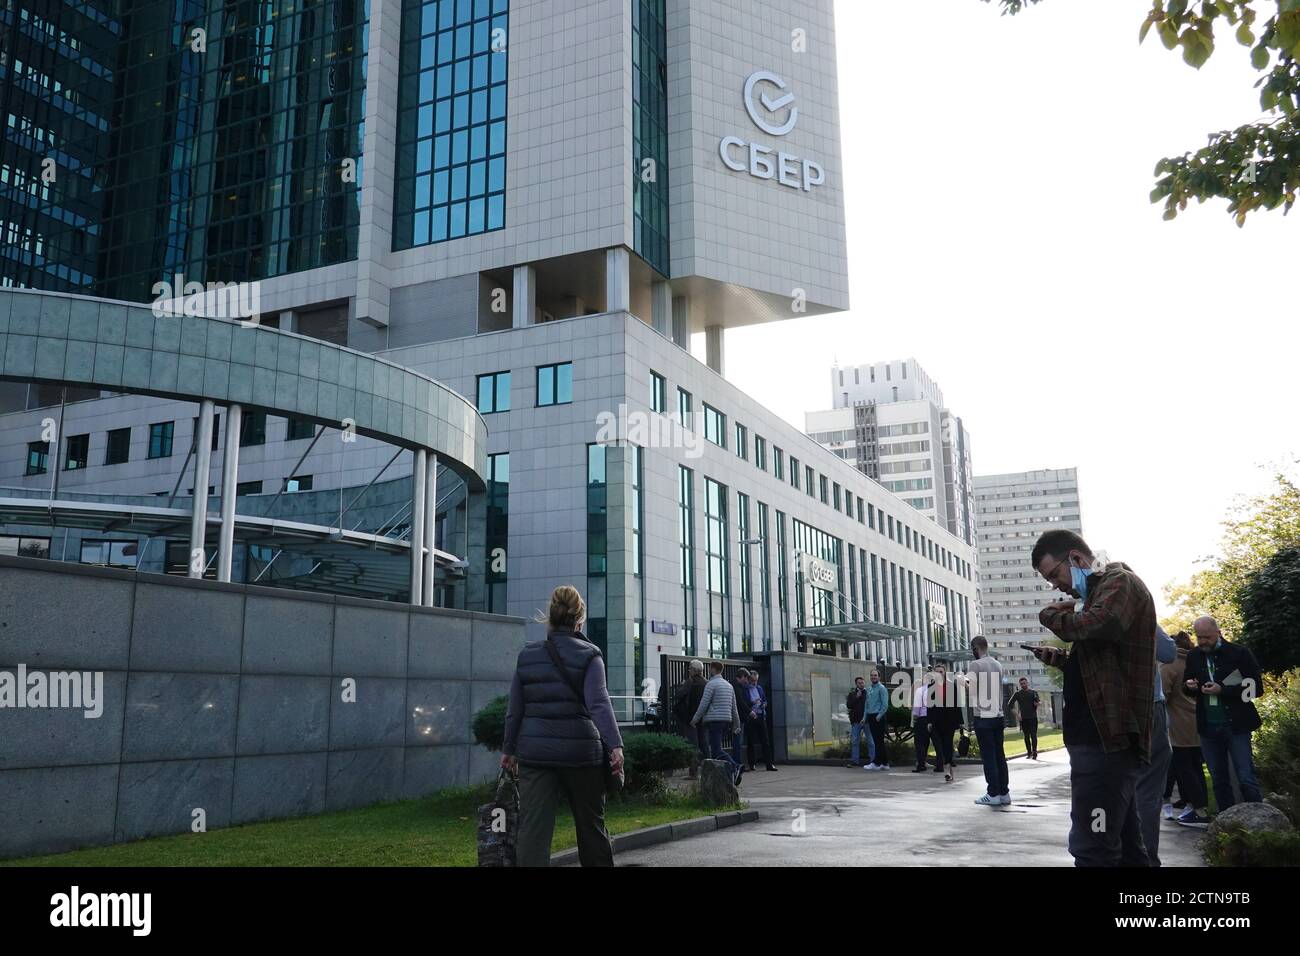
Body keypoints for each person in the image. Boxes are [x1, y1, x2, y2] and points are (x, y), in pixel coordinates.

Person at [1028, 530, 1155, 867]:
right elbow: (1103, 665)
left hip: (1104, 742)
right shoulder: (1098, 596)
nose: (1056, 586)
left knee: (1093, 846)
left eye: (1054, 575)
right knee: (1126, 847)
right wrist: (1064, 661)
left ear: (1076, 558)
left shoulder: (1119, 582)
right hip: (1100, 742)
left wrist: (1049, 614)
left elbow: (1101, 623)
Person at [501, 585, 624, 867]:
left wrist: (508, 749)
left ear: (550, 618)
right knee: (591, 827)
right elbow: (599, 703)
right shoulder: (590, 655)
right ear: (579, 620)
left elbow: (515, 709)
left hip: (535, 755)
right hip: (581, 755)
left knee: (533, 832)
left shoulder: (527, 655)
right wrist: (615, 745)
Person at [1182, 615, 1264, 812]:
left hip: (1236, 725)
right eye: (1199, 637)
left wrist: (1223, 690)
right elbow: (1186, 686)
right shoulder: (1194, 656)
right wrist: (1189, 686)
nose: (1203, 642)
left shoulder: (1239, 653)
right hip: (1208, 725)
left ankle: (1258, 820)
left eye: (1207, 637)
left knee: (1245, 777)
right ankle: (1226, 822)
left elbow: (1256, 688)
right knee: (1218, 779)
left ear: (1218, 633)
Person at [1134, 625, 1177, 866]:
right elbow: (1168, 652)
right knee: (1148, 790)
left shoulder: (1089, 613)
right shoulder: (1139, 612)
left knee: (1118, 790)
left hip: (1111, 711)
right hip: (1148, 706)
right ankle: (1145, 859)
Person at [1161, 631, 1210, 827]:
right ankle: (1199, 807)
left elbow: (1162, 696)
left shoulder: (1169, 666)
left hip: (1177, 724)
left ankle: (1198, 810)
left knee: (1184, 768)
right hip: (1197, 721)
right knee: (1195, 767)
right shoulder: (1196, 662)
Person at [967, 636, 1010, 807]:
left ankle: (993, 794)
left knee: (988, 757)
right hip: (998, 715)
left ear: (975, 648)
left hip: (983, 716)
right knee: (1000, 756)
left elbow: (972, 690)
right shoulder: (998, 664)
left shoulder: (975, 665)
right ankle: (1004, 792)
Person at [692, 660, 744, 786]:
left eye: (710, 668)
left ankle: (735, 767)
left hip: (714, 720)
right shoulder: (729, 686)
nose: (709, 670)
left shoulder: (711, 684)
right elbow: (734, 708)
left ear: (714, 669)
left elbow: (703, 704)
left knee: (716, 751)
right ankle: (728, 775)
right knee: (717, 749)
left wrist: (695, 719)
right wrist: (736, 724)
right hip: (726, 721)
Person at [673, 659, 708, 779]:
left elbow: (679, 694)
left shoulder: (690, 682)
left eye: (690, 669)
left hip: (690, 718)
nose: (689, 671)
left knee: (693, 745)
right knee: (704, 744)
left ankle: (693, 772)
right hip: (703, 718)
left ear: (694, 670)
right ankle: (708, 769)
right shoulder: (706, 683)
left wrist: (682, 684)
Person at [927, 663, 961, 782]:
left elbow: (957, 704)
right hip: (936, 721)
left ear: (945, 673)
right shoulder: (931, 687)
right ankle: (947, 767)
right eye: (936, 672)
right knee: (939, 745)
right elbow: (929, 706)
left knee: (947, 745)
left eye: (940, 672)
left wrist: (959, 721)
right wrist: (929, 721)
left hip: (949, 721)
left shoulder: (951, 686)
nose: (938, 674)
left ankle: (948, 770)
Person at [745, 669, 778, 771]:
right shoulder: (746, 689)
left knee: (765, 740)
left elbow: (764, 700)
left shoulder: (759, 688)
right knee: (750, 741)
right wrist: (753, 702)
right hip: (751, 716)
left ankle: (769, 763)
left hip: (760, 715)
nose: (754, 683)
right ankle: (752, 763)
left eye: (756, 680)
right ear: (749, 679)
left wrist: (764, 704)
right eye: (752, 680)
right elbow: (744, 703)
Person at [1006, 677, 1041, 759]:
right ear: (1020, 684)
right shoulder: (1018, 693)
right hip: (1023, 718)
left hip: (1033, 717)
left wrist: (1038, 704)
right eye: (1021, 684)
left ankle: (1034, 752)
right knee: (1026, 736)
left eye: (1024, 683)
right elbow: (1009, 705)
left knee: (1033, 735)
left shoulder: (1033, 692)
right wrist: (1017, 715)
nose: (1023, 685)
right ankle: (1029, 752)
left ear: (1027, 683)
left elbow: (1038, 702)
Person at [863, 668, 891, 770]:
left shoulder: (882, 688)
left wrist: (878, 716)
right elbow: (866, 705)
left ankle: (876, 763)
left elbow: (885, 705)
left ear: (879, 677)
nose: (873, 677)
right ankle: (885, 763)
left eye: (875, 675)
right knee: (878, 741)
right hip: (871, 716)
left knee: (878, 741)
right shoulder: (869, 689)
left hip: (878, 717)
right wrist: (864, 717)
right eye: (872, 675)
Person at [845, 676, 870, 767]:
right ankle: (855, 761)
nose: (861, 684)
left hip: (867, 721)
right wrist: (856, 697)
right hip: (856, 721)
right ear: (856, 684)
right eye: (859, 683)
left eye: (862, 682)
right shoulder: (852, 694)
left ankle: (873, 760)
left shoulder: (868, 693)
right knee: (855, 742)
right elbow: (849, 705)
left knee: (870, 742)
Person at [731, 670, 751, 769]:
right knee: (737, 741)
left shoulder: (736, 686)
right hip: (738, 717)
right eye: (746, 678)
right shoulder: (737, 687)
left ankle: (736, 763)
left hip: (738, 717)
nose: (747, 681)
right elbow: (740, 701)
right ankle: (737, 764)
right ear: (742, 676)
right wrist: (749, 711)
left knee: (738, 741)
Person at [911, 672, 930, 773]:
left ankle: (921, 764)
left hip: (922, 718)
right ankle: (940, 763)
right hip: (932, 719)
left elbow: (917, 707)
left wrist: (915, 717)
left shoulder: (920, 690)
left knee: (919, 742)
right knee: (927, 741)